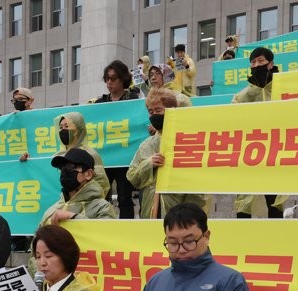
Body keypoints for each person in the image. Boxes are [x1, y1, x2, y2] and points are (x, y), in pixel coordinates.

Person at [127, 88, 208, 219]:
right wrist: (148, 164)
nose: (154, 115)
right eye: (150, 111)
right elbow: (132, 176)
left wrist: (190, 216)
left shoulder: (188, 141)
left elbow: (197, 183)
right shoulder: (146, 145)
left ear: (172, 110)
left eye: (158, 110)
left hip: (180, 213)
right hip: (150, 210)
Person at [232, 47, 287, 219]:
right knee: (244, 203)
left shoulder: (284, 89)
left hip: (275, 152)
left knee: (274, 201)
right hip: (250, 152)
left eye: (261, 61)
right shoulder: (243, 96)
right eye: (253, 62)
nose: (257, 65)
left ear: (271, 64)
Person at [93, 60, 138, 219]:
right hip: (105, 157)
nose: (109, 82)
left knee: (125, 197)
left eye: (113, 78)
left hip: (125, 157)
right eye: (107, 79)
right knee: (102, 196)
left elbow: (139, 123)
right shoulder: (99, 103)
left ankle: (126, 236)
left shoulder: (133, 100)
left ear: (123, 79)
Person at [40, 148, 116, 225]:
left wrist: (73, 217)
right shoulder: (52, 210)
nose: (64, 171)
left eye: (71, 167)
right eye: (61, 168)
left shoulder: (102, 208)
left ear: (88, 174)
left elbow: (106, 234)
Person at [55, 111, 109, 198]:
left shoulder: (90, 154)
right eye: (60, 127)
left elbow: (102, 184)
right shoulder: (59, 155)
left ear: (77, 129)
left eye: (67, 126)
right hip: (63, 204)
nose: (62, 130)